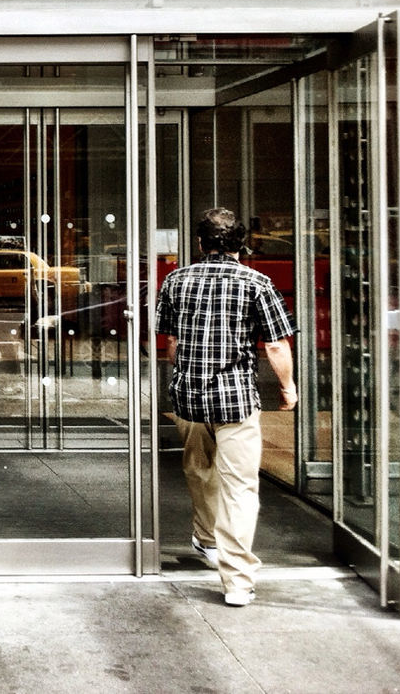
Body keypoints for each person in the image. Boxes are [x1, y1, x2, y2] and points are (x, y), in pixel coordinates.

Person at [155, 207, 297, 607]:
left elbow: (170, 343)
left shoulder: (177, 281)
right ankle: (236, 581)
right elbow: (274, 344)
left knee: (199, 470)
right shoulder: (257, 283)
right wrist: (287, 387)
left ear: (200, 244)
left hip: (188, 396)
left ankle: (205, 539)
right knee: (239, 487)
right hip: (235, 400)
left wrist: (183, 373)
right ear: (241, 244)